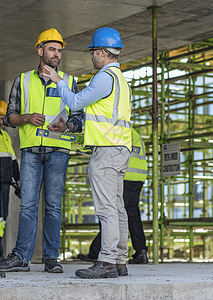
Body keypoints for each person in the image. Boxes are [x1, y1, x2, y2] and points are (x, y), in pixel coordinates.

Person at [42, 27, 132, 278]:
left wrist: (58, 81)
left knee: (107, 209)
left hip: (106, 152)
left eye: (93, 51)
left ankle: (105, 261)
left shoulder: (105, 77)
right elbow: (103, 119)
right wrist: (71, 129)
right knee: (117, 207)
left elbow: (74, 103)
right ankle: (119, 261)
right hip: (119, 148)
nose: (91, 56)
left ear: (103, 52)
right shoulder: (121, 81)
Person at [0, 28, 84, 273]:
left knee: (54, 207)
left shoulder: (68, 82)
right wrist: (25, 118)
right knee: (27, 206)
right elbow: (9, 117)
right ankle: (21, 257)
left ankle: (51, 258)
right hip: (31, 151)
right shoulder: (23, 80)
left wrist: (66, 125)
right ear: (40, 51)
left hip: (59, 150)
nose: (57, 54)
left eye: (59, 50)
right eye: (52, 49)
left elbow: (79, 118)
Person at [77, 127, 149, 265]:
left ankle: (97, 252)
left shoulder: (120, 130)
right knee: (131, 215)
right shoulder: (134, 133)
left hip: (124, 175)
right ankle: (141, 251)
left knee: (110, 211)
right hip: (138, 176)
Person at [0, 100, 20, 259]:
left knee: (3, 217)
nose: (2, 122)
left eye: (3, 118)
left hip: (6, 182)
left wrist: (17, 179)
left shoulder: (5, 135)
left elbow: (12, 159)